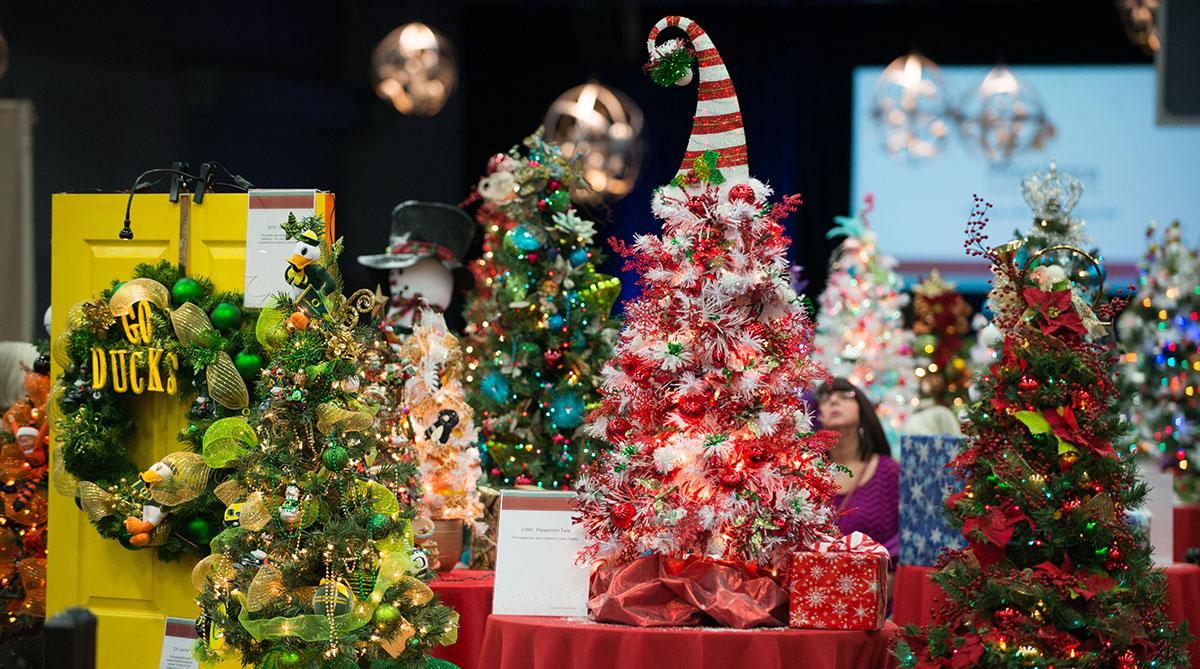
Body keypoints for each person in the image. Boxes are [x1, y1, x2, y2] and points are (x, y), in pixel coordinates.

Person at [816, 377, 900, 560]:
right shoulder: (805, 472)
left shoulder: (888, 471)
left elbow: (903, 535)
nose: (833, 401)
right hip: (814, 581)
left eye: (845, 396)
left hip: (876, 581)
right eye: (824, 398)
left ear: (861, 409)